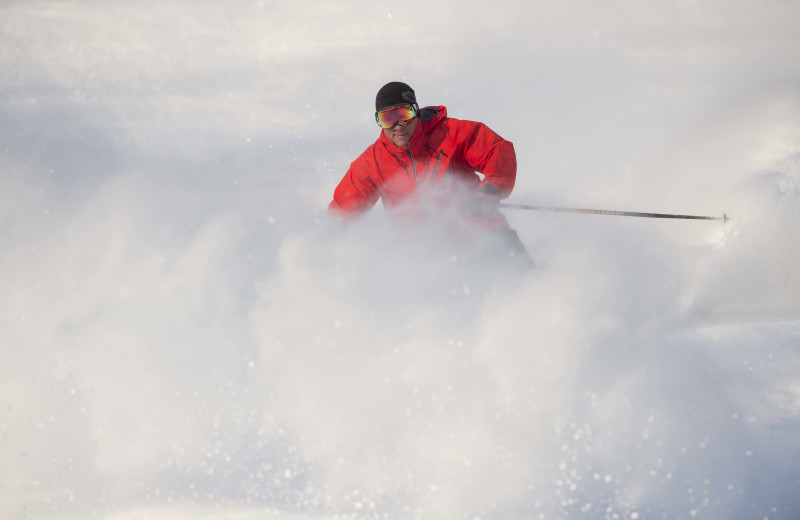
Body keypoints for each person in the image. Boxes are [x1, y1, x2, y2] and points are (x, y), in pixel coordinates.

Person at [329, 81, 533, 268]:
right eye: (387, 118)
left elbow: (496, 150)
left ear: (415, 112)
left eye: (403, 115)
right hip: (428, 257)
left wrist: (492, 186)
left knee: (524, 286)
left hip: (482, 233)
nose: (397, 126)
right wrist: (322, 247)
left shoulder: (450, 133)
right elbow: (342, 211)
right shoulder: (372, 162)